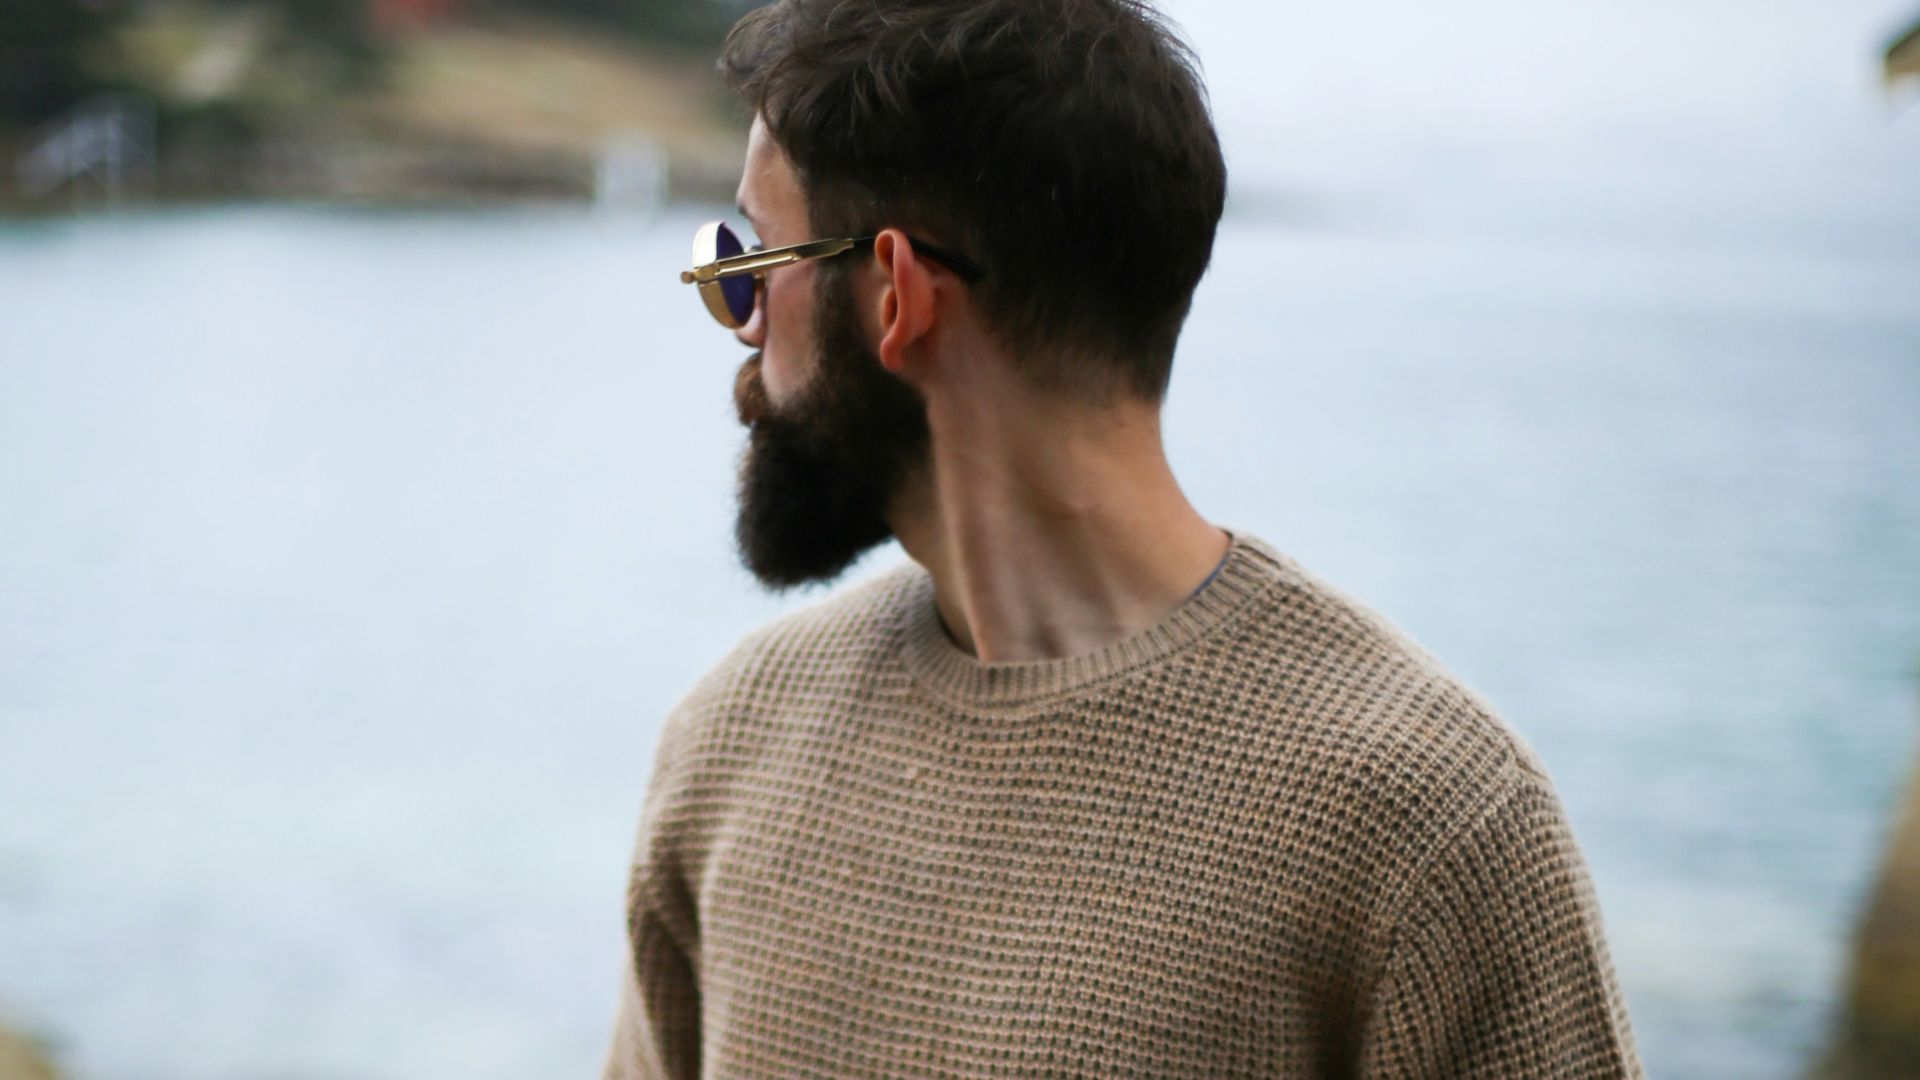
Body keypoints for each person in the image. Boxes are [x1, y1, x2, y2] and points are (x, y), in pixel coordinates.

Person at [605, 1, 1643, 1076]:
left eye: (749, 265)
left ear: (897, 300)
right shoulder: (731, 744)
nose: (741, 330)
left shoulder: (1425, 826)